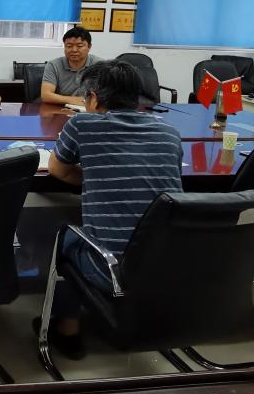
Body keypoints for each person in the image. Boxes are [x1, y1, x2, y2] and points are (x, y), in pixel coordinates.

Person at [43, 59, 183, 358]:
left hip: (111, 270)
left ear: (93, 98)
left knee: (65, 237)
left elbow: (57, 169)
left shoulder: (82, 124)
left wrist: (96, 174)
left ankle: (67, 330)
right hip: (168, 266)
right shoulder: (169, 131)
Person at [41, 27, 105, 106]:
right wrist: (73, 100)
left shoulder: (100, 65)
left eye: (79, 46)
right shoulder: (53, 65)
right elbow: (46, 95)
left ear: (89, 47)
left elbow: (108, 93)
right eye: (69, 46)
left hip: (91, 109)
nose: (74, 50)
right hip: (61, 109)